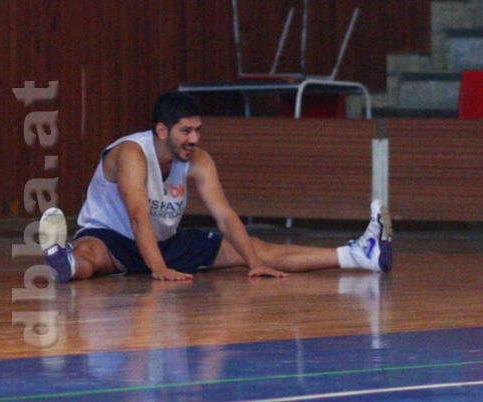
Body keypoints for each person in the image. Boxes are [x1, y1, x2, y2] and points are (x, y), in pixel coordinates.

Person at [39, 91, 392, 282]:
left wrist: (253, 262)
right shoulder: (132, 153)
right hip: (113, 237)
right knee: (91, 256)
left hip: (165, 243)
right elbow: (137, 216)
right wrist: (158, 269)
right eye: (186, 131)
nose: (194, 138)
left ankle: (359, 255)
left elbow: (224, 215)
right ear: (162, 131)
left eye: (198, 130)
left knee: (256, 248)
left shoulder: (198, 159)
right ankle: (64, 260)